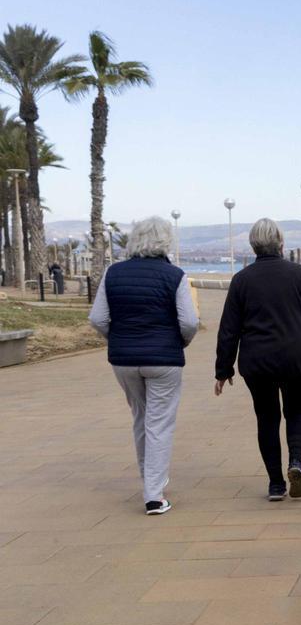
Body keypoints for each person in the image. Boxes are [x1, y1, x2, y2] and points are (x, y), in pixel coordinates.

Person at [215, 218, 301, 501]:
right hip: (297, 358)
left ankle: (276, 485)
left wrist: (223, 369)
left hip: (257, 362)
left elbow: (229, 329)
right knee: (297, 411)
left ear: (253, 245)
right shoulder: (300, 275)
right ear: (281, 243)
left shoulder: (241, 280)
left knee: (267, 418)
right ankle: (296, 462)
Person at [88, 216, 199, 516]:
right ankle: (154, 494)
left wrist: (117, 339)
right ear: (166, 241)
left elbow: (97, 318)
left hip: (124, 360)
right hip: (164, 359)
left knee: (140, 417)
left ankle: (149, 480)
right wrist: (180, 342)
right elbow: (190, 322)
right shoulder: (174, 275)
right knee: (159, 423)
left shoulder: (113, 273)